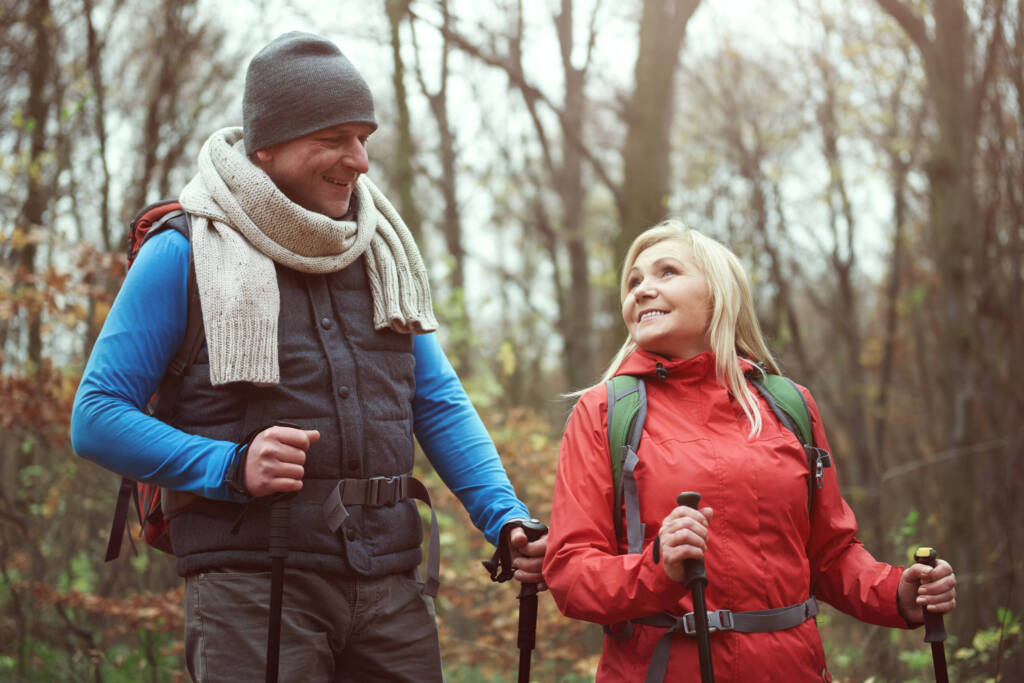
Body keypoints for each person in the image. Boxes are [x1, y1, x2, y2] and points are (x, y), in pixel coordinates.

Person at [71, 31, 546, 682]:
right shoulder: (182, 249)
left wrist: (506, 517)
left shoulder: (383, 253)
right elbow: (95, 416)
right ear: (268, 146)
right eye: (334, 138)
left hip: (389, 582)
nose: (359, 161)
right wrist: (230, 464)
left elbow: (434, 401)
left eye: (364, 138)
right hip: (250, 588)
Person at [542, 220, 956, 681]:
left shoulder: (789, 404)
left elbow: (830, 555)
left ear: (718, 293)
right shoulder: (603, 411)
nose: (642, 290)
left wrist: (898, 591)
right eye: (634, 281)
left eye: (667, 272)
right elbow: (570, 573)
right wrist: (657, 567)